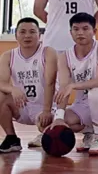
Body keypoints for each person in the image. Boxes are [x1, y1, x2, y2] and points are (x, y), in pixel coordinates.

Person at [50, 13, 98, 155]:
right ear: (70, 32)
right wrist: (59, 118)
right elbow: (63, 88)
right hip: (84, 103)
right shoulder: (64, 56)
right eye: (76, 29)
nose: (80, 33)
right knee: (62, 120)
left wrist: (73, 86)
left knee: (96, 93)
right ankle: (90, 133)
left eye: (85, 28)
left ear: (94, 31)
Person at [0, 18, 58, 153]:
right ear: (16, 35)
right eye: (22, 32)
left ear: (39, 35)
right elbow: (1, 82)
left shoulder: (48, 52)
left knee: (53, 137)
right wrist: (12, 89)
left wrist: (46, 111)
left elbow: (50, 82)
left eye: (32, 32)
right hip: (22, 106)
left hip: (46, 107)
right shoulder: (8, 56)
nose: (27, 36)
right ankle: (11, 138)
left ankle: (45, 134)